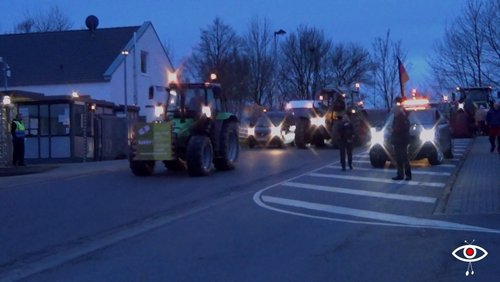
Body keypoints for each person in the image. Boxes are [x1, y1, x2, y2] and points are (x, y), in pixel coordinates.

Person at [390, 97, 411, 181]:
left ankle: (408, 175)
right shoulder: (397, 117)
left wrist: (394, 129)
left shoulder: (402, 116)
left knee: (404, 158)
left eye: (394, 111)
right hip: (397, 140)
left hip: (402, 140)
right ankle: (400, 174)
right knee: (399, 159)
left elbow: (403, 128)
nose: (393, 113)